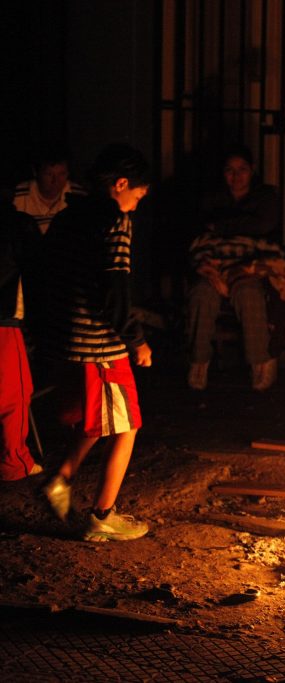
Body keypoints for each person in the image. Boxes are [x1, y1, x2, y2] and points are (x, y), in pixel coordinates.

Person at [29, 143, 153, 541]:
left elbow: (45, 272)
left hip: (68, 339)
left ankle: (60, 482)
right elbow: (114, 290)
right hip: (100, 345)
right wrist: (136, 340)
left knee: (98, 420)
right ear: (120, 185)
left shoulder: (70, 217)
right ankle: (102, 517)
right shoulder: (114, 221)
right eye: (136, 194)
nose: (136, 204)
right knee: (127, 426)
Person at [185, 145, 285, 392]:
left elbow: (263, 225)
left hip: (250, 263)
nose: (236, 176)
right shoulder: (213, 197)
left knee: (249, 295)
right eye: (230, 170)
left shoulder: (265, 196)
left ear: (252, 171)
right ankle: (198, 362)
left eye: (242, 170)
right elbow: (201, 229)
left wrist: (221, 225)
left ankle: (260, 363)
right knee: (202, 294)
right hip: (216, 260)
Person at [0, 204, 41, 481]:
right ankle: (13, 462)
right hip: (3, 319)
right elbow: (37, 271)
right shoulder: (15, 224)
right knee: (15, 393)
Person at [12, 144, 86, 235]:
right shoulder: (17, 196)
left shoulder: (78, 196)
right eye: (49, 174)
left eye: (62, 174)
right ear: (36, 172)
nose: (55, 181)